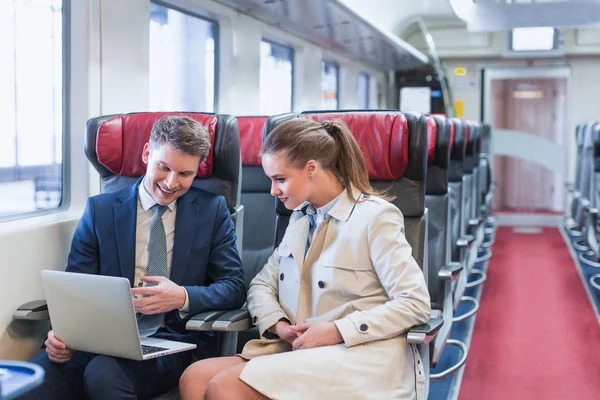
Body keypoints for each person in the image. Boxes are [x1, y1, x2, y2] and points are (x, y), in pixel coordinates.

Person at [179, 118, 431, 399]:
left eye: (280, 179)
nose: (273, 191)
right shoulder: (301, 218)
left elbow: (415, 303)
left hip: (357, 354)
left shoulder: (375, 217)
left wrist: (337, 330)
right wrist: (278, 324)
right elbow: (262, 284)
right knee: (195, 377)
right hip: (301, 350)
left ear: (311, 169)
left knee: (225, 387)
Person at [24, 115, 246, 399]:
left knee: (104, 374)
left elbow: (234, 287)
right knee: (30, 382)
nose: (171, 183)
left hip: (171, 343)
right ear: (146, 154)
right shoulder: (100, 210)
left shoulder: (212, 211)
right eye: (163, 167)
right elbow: (76, 287)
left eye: (185, 174)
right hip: (97, 339)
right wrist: (62, 335)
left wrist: (182, 297)